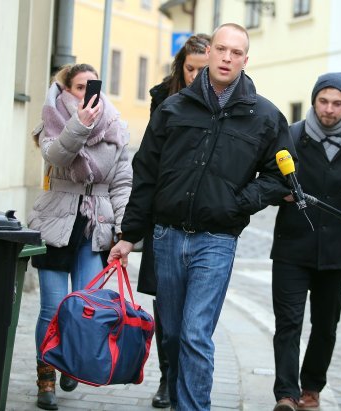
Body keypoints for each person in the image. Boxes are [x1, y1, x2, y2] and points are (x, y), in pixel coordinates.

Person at [108, 23, 294, 411]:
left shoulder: (264, 116)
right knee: (173, 334)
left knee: (195, 334)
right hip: (166, 237)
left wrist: (237, 203)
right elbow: (146, 174)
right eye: (221, 49)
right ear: (209, 53)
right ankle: (181, 400)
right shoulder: (173, 108)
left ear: (245, 60)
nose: (227, 58)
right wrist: (128, 235)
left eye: (236, 53)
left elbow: (280, 176)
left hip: (216, 240)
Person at [28, 63, 132, 410]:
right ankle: (46, 378)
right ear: (65, 89)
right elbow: (57, 154)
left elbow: (122, 183)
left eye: (92, 86)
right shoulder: (53, 119)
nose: (87, 93)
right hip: (56, 222)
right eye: (78, 87)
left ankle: (69, 360)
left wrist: (123, 231)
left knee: (85, 307)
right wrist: (81, 124)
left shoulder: (115, 125)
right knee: (52, 308)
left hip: (94, 226)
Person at [270, 73, 341, 411]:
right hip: (292, 246)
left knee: (326, 326)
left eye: (337, 103)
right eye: (323, 101)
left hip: (336, 250)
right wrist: (280, 192)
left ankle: (311, 388)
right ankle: (286, 393)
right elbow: (269, 180)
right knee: (288, 323)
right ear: (314, 101)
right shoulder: (291, 136)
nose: (329, 109)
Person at [136, 32, 210, 409]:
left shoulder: (222, 101)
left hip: (201, 216)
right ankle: (167, 377)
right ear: (181, 66)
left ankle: (184, 380)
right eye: (191, 69)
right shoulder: (163, 99)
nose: (196, 76)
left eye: (203, 69)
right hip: (162, 215)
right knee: (164, 302)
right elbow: (150, 161)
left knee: (194, 314)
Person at [148, 33, 211, 114]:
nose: (194, 76)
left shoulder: (223, 98)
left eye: (202, 71)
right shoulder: (161, 95)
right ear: (181, 66)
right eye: (189, 69)